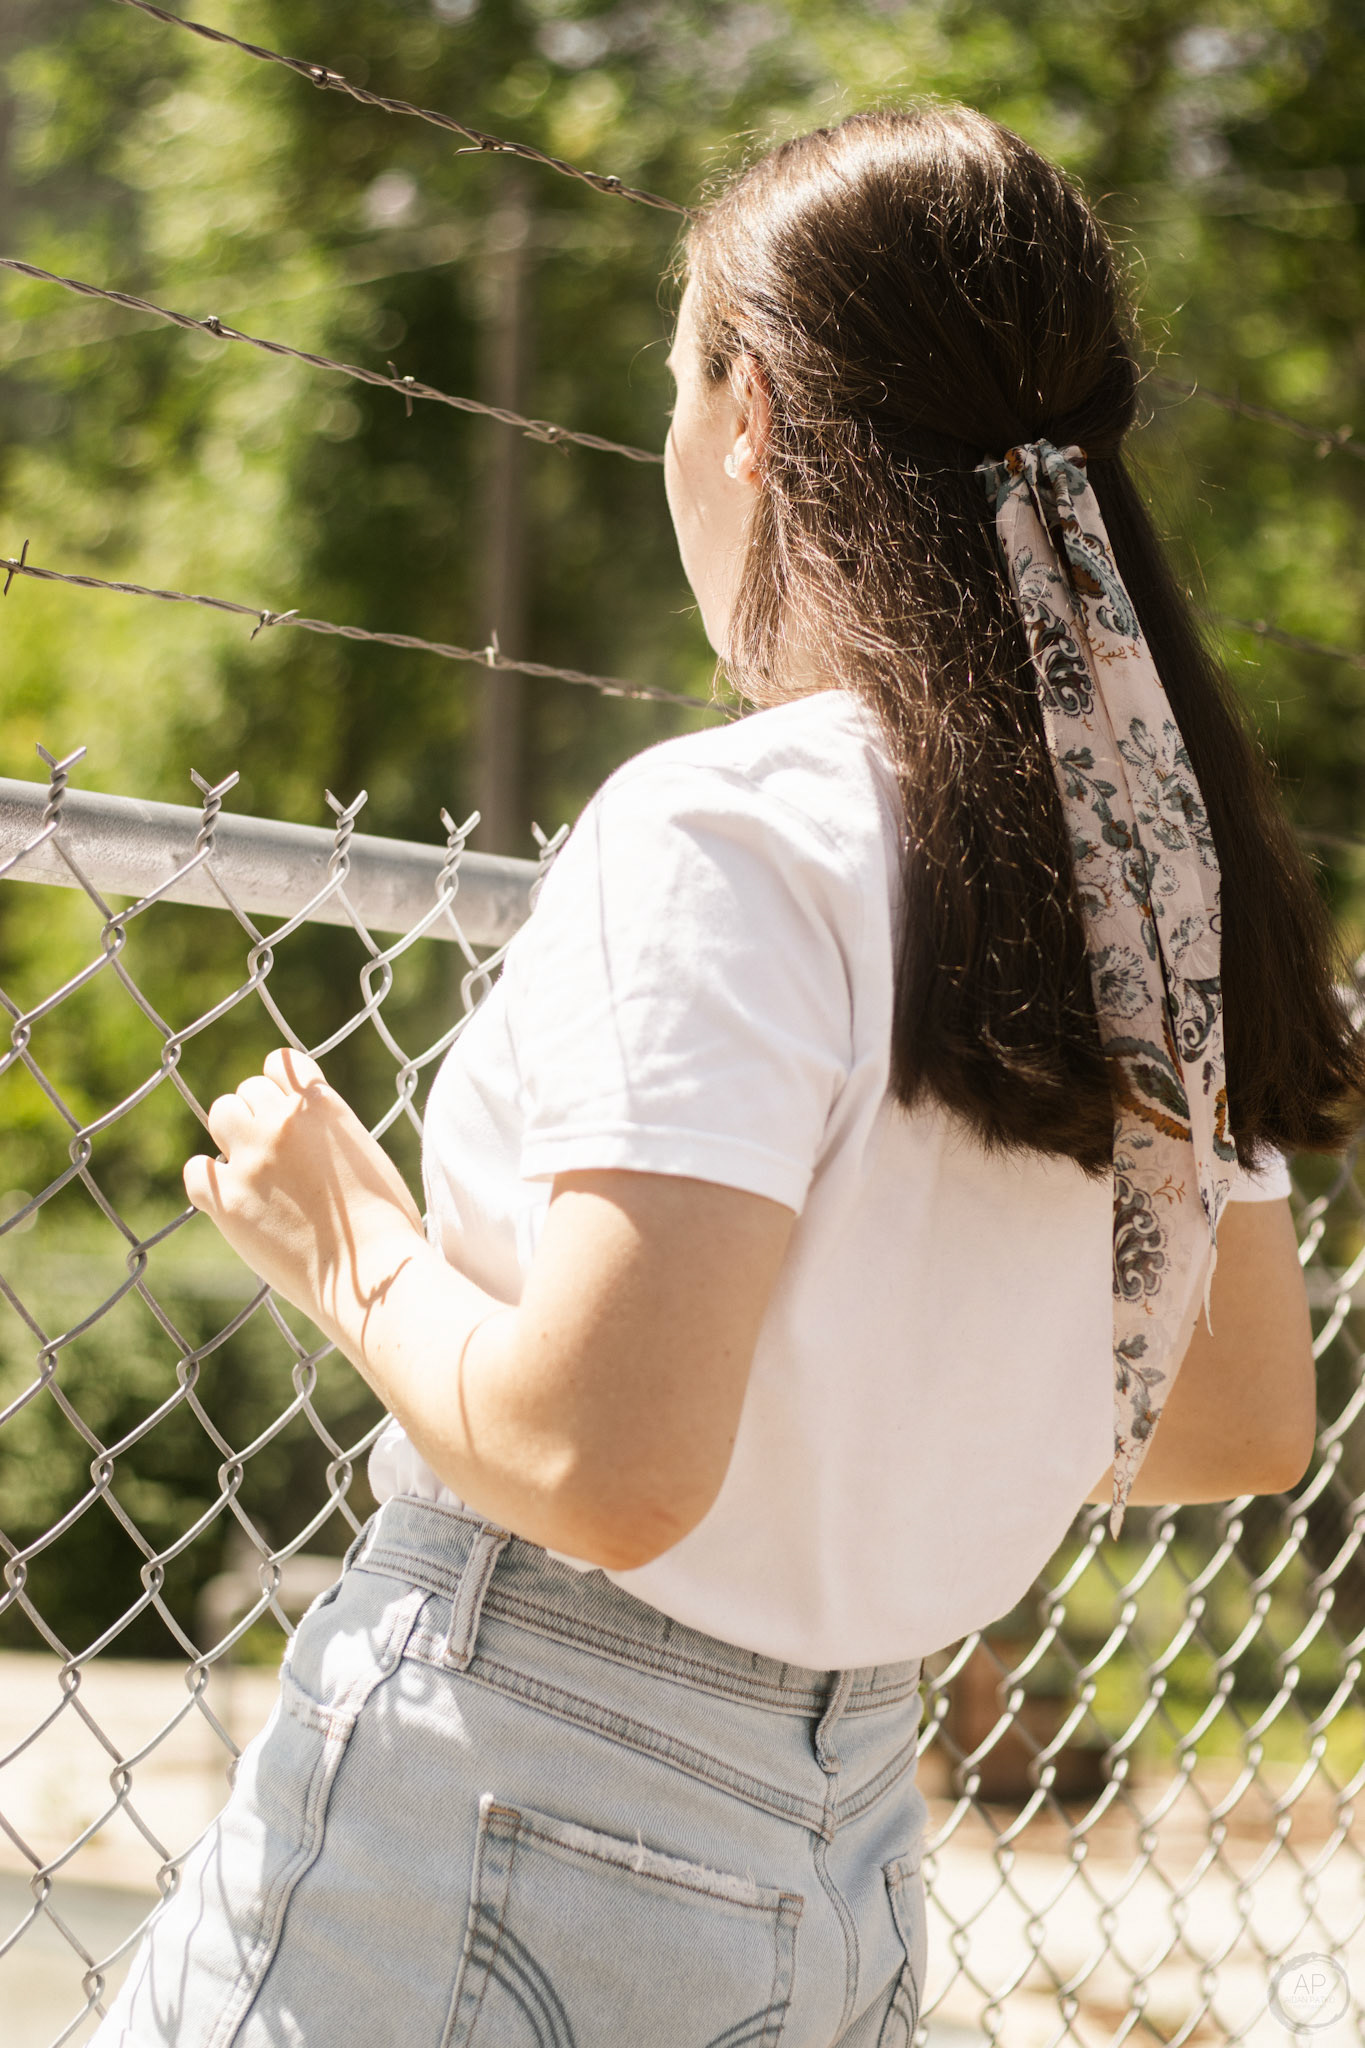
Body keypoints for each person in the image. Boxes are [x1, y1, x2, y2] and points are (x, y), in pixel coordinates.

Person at [94, 105, 1362, 2048]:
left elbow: (603, 1467)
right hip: (842, 1845)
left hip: (502, 1798)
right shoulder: (1142, 878)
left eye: (674, 389)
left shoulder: (730, 826)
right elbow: (1234, 1418)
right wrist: (883, 1400)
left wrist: (340, 1239)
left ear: (749, 411)